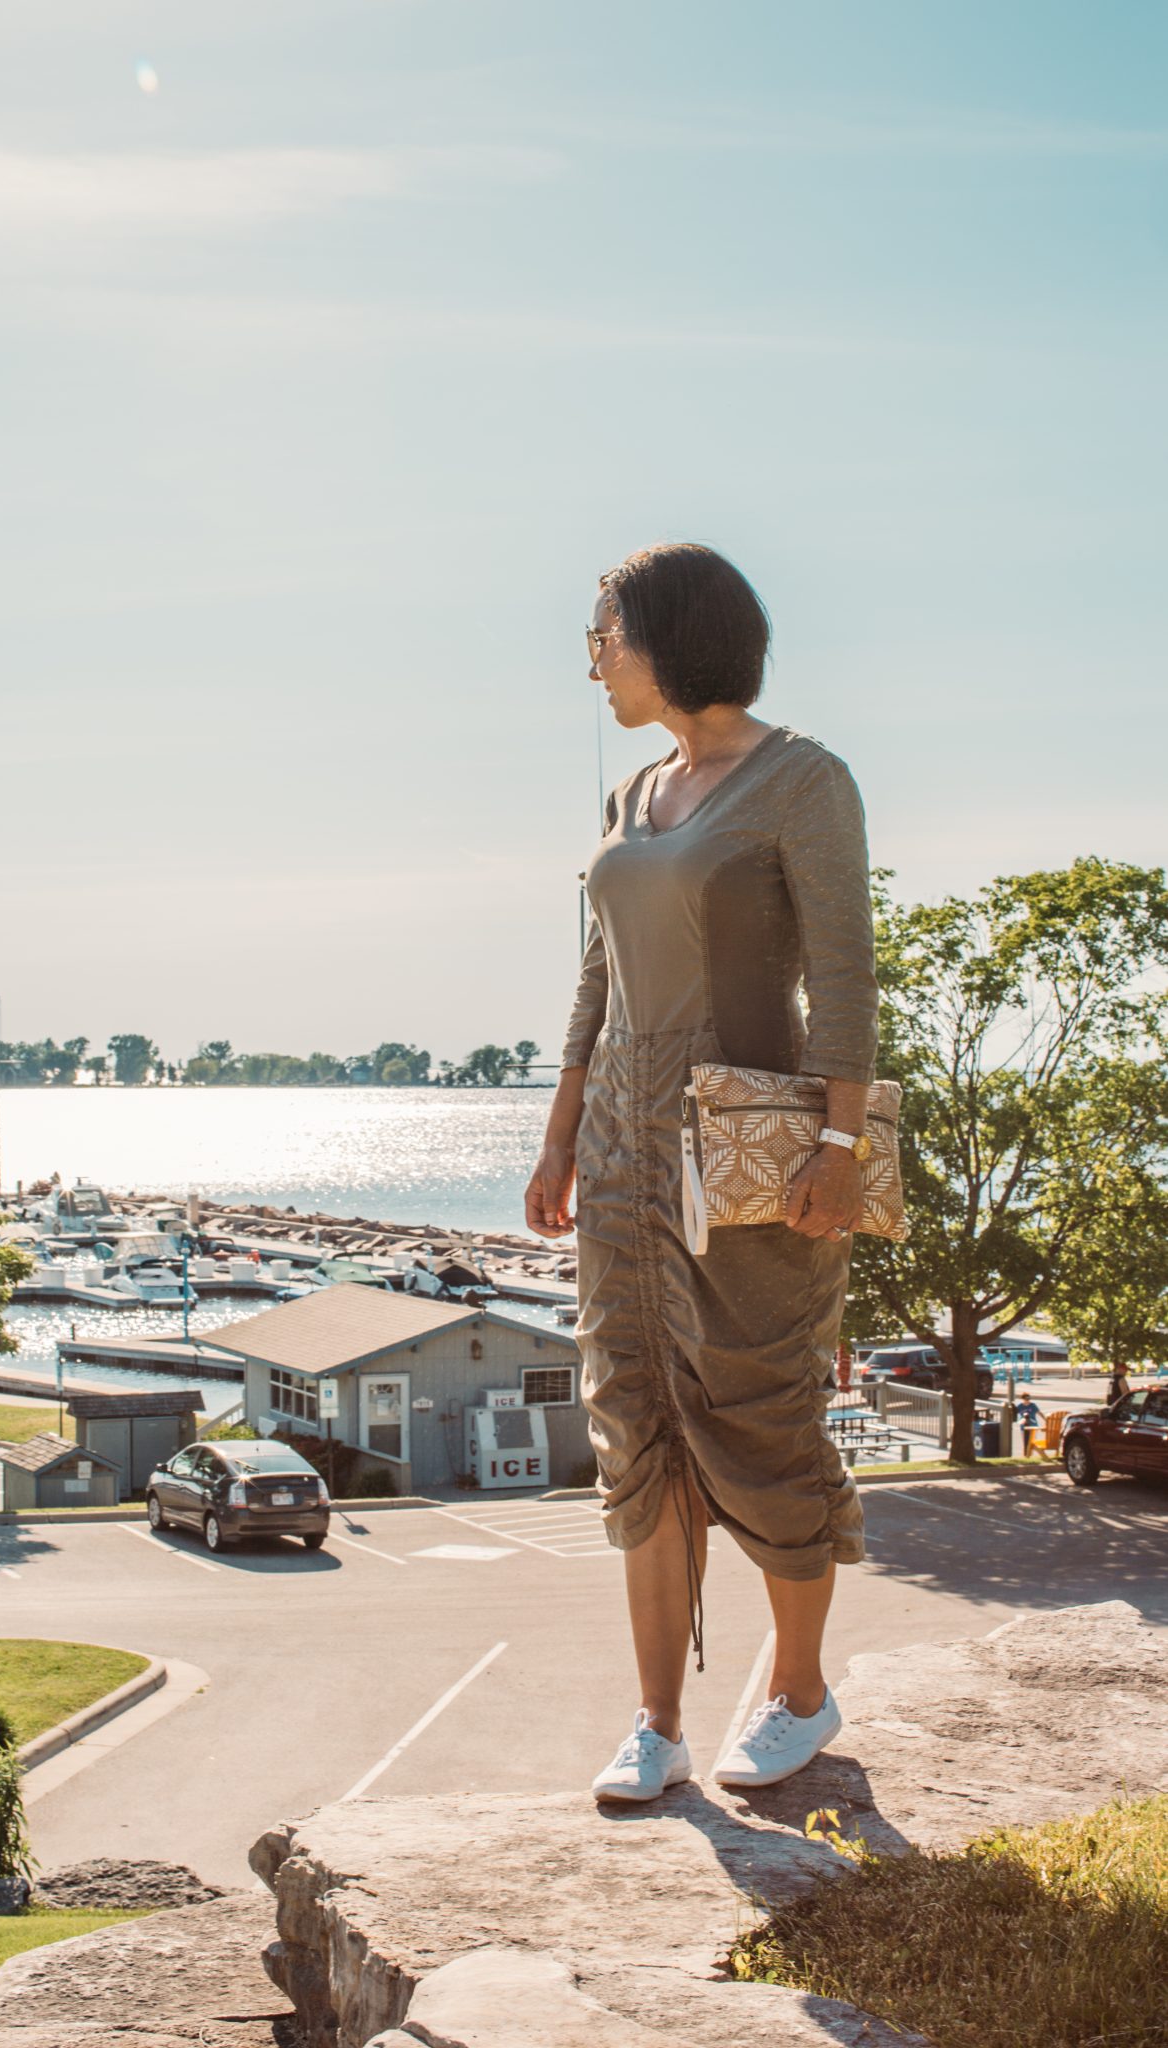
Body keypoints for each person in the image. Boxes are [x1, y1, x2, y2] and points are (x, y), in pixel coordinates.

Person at [526, 542, 878, 1803]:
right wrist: (561, 1132)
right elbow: (597, 977)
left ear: (671, 635)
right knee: (636, 1423)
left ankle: (798, 1692)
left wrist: (842, 1145)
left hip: (747, 1158)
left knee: (756, 1410)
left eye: (602, 633)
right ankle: (658, 1720)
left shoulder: (801, 781)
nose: (592, 657)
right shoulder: (632, 794)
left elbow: (843, 975)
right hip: (622, 1152)